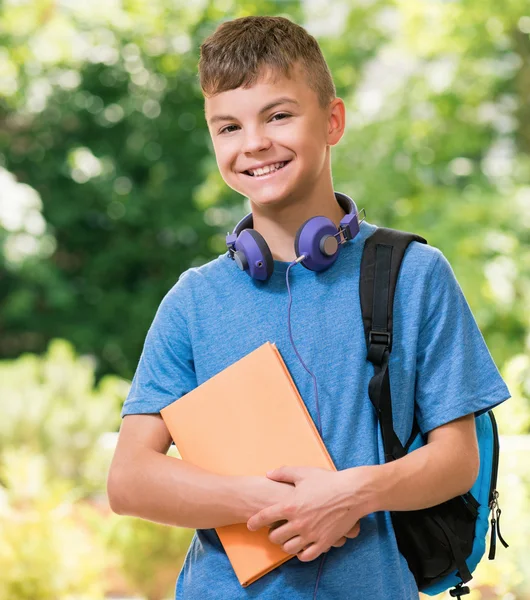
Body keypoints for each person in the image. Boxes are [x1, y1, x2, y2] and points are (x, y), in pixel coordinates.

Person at [107, 15, 511, 600]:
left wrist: (350, 494)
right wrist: (271, 502)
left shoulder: (415, 276)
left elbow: (456, 461)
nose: (253, 144)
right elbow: (129, 479)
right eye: (227, 127)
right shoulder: (193, 302)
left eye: (278, 115)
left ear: (332, 120)